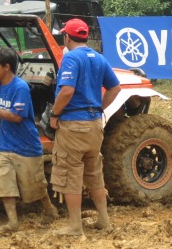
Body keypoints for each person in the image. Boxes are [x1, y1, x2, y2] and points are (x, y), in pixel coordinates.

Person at [48, 18, 121, 236]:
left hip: (73, 125)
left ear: (67, 37)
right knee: (94, 173)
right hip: (94, 124)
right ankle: (104, 220)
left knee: (70, 174)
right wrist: (99, 108)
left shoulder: (70, 58)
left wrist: (54, 114)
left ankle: (74, 225)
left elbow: (67, 91)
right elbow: (115, 88)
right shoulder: (98, 57)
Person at [0, 47, 58, 233]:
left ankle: (49, 210)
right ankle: (13, 222)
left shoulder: (20, 87)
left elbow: (17, 117)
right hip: (5, 144)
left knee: (35, 187)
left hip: (26, 145)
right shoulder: (0, 85)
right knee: (4, 183)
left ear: (6, 67)